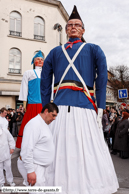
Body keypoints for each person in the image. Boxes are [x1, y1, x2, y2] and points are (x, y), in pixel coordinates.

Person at [41, 5, 119, 194]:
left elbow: (102, 79)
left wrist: (100, 107)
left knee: (87, 149)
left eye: (77, 25)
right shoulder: (54, 52)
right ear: (66, 29)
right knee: (57, 149)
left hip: (84, 106)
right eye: (70, 25)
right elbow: (44, 81)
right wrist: (46, 108)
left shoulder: (94, 49)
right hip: (58, 107)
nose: (73, 27)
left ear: (83, 30)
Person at [17, 103, 58, 189]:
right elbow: (26, 149)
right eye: (53, 115)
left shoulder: (42, 123)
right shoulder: (34, 124)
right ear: (46, 111)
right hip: (34, 165)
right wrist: (30, 170)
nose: (54, 118)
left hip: (39, 166)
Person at [16, 51, 44, 148]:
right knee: (30, 124)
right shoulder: (28, 73)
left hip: (44, 104)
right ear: (33, 61)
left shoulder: (47, 73)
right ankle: (27, 145)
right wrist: (24, 104)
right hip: (32, 104)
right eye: (37, 59)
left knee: (43, 125)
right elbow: (24, 88)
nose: (40, 61)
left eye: (41, 59)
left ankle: (41, 144)